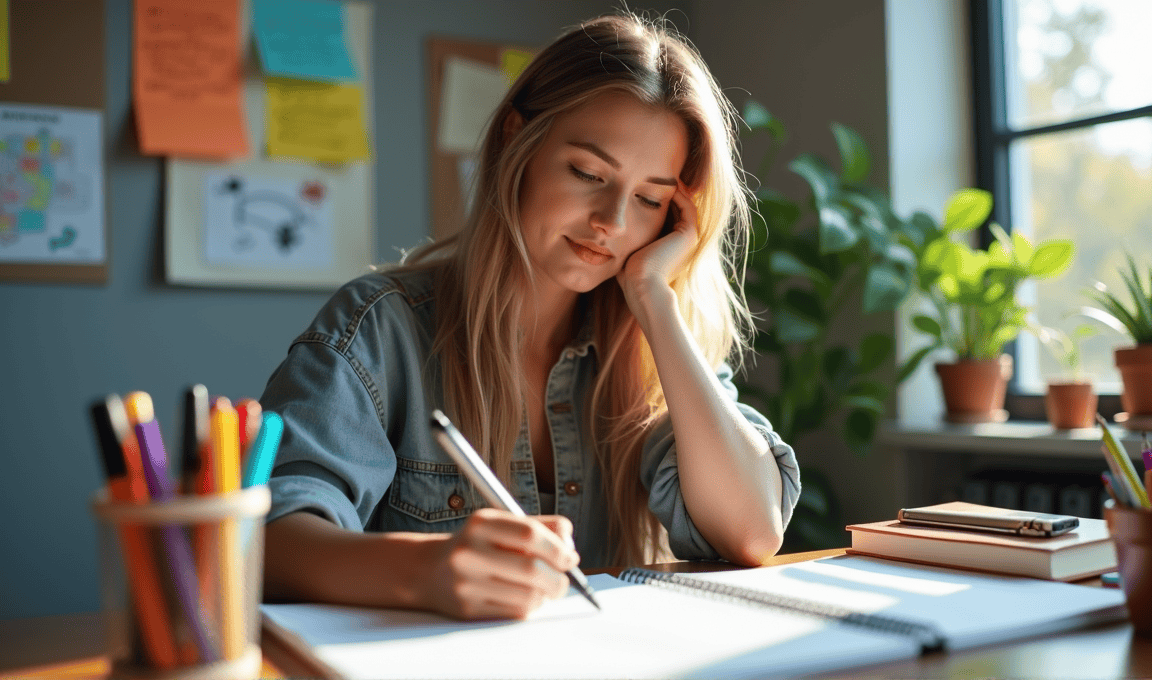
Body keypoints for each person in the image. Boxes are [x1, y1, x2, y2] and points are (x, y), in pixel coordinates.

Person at [260, 12, 801, 621]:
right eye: (588, 174)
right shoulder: (379, 328)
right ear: (517, 138)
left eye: (650, 199)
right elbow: (269, 541)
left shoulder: (653, 346)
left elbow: (753, 533)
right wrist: (424, 570)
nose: (613, 222)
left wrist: (653, 295)